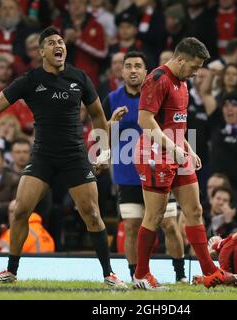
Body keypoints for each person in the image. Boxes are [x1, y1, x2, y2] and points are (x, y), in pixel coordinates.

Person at [0, 26, 126, 288]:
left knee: (93, 215)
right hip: (43, 155)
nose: (58, 45)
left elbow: (98, 116)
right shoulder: (30, 80)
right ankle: (11, 271)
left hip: (74, 155)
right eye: (51, 42)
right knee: (20, 211)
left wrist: (103, 151)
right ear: (42, 51)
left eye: (61, 41)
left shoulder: (80, 78)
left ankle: (109, 273)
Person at [133, 37, 237, 290]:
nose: (196, 72)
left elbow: (176, 124)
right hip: (155, 154)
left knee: (195, 211)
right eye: (194, 66)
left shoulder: (182, 84)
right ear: (180, 59)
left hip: (177, 153)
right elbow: (145, 121)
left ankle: (210, 273)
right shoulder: (157, 79)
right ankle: (141, 274)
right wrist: (173, 148)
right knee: (155, 215)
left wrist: (187, 149)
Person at [103, 51, 187, 283]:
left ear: (146, 71)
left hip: (159, 169)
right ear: (121, 71)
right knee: (131, 226)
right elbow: (101, 133)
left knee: (169, 224)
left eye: (138, 66)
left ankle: (180, 276)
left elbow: (172, 127)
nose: (132, 70)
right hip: (127, 174)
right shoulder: (111, 99)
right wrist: (112, 123)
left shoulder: (159, 92)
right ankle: (135, 276)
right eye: (128, 66)